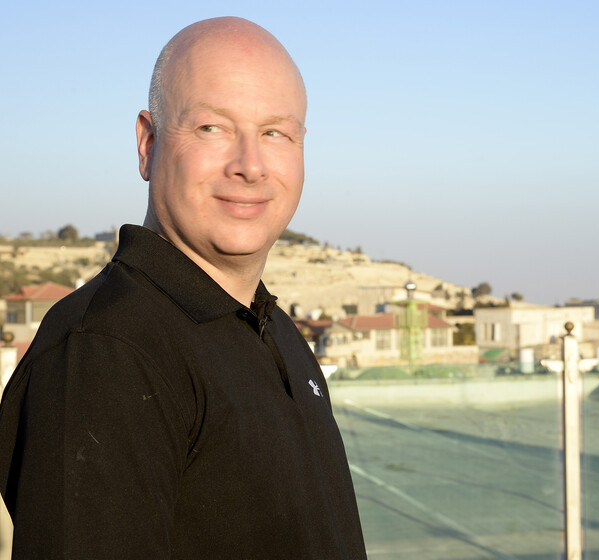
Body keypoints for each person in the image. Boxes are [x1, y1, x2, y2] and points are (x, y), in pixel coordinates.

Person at [0, 17, 367, 559]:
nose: (249, 165)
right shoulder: (107, 352)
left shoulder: (273, 329)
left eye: (274, 133)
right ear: (147, 144)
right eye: (211, 128)